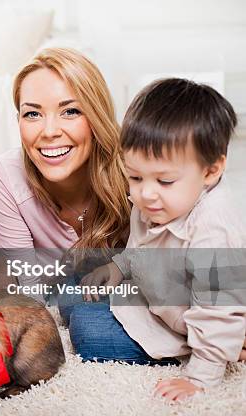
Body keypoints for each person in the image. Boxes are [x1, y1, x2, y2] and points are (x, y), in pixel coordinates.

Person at [76, 78, 246, 400]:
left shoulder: (215, 229)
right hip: (158, 299)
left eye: (165, 181)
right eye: (135, 177)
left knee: (87, 330)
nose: (146, 193)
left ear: (211, 172)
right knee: (76, 295)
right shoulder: (153, 202)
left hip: (202, 323)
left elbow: (218, 312)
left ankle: (225, 349)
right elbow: (142, 247)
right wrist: (117, 267)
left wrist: (200, 377)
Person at [0, 48, 131, 295]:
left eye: (70, 111)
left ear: (97, 116)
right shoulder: (5, 177)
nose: (49, 132)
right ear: (18, 121)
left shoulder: (136, 172)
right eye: (33, 114)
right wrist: (9, 278)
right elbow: (31, 299)